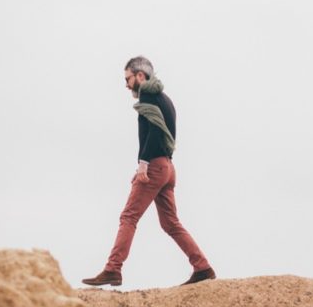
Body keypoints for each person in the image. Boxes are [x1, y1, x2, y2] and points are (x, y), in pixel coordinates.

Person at [82, 56, 216, 287]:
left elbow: (154, 130)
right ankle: (202, 267)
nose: (126, 84)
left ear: (140, 76)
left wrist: (143, 163)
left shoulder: (148, 96)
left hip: (154, 165)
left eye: (128, 79)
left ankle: (113, 269)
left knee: (129, 216)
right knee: (171, 223)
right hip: (168, 167)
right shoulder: (165, 98)